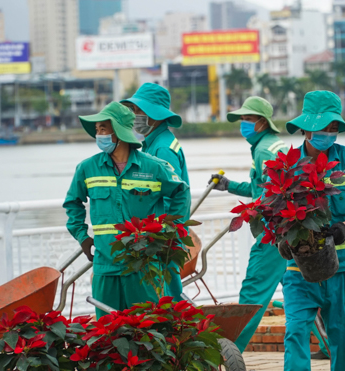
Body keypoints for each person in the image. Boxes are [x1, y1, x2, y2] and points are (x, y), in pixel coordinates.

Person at [282, 90, 345, 371]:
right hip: (298, 269)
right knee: (296, 333)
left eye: (333, 127)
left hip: (344, 269)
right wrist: (281, 239)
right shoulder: (287, 166)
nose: (328, 133)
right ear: (305, 127)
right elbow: (271, 209)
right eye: (321, 127)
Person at [63, 102, 190, 319]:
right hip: (105, 266)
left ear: (119, 132)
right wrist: (82, 236)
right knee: (107, 334)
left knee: (148, 330)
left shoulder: (153, 167)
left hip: (144, 266)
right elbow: (72, 203)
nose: (98, 134)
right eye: (97, 130)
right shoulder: (87, 168)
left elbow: (181, 192)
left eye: (103, 128)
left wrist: (169, 233)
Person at [207, 96, 289, 353]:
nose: (242, 124)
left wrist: (246, 214)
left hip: (272, 235)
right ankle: (327, 345)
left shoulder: (264, 150)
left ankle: (228, 352)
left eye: (247, 119)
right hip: (291, 229)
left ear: (262, 122)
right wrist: (229, 185)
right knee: (303, 292)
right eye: (241, 119)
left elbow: (271, 195)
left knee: (253, 293)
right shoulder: (272, 145)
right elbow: (260, 189)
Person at [121, 83, 191, 300]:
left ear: (155, 114)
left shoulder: (162, 148)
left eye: (139, 111)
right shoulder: (155, 143)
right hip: (158, 236)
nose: (135, 116)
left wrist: (163, 233)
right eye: (133, 111)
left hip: (161, 239)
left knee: (166, 297)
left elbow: (174, 195)